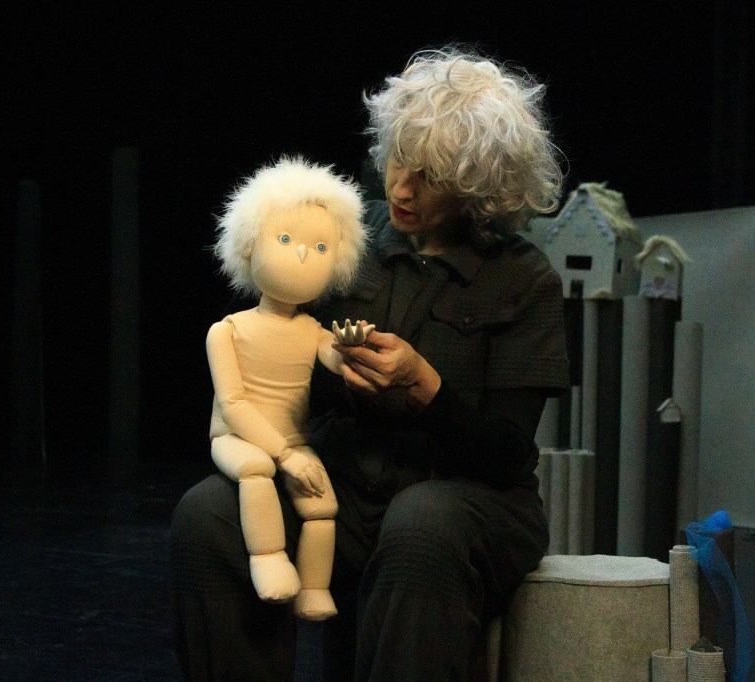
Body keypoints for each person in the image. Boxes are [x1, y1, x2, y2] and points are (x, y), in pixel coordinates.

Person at [170, 46, 570, 681]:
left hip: (463, 500)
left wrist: (427, 391)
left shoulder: (525, 280)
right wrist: (329, 376)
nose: (402, 187)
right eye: (399, 159)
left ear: (478, 185)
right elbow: (285, 369)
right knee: (208, 515)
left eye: (432, 177)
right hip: (343, 479)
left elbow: (507, 455)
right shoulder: (346, 236)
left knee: (421, 524)